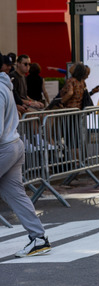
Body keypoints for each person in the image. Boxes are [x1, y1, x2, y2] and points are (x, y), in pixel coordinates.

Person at [0, 60, 51, 257]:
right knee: (16, 195)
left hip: (4, 148)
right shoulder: (5, 86)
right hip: (14, 144)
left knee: (17, 195)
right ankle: (38, 238)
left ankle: (38, 237)